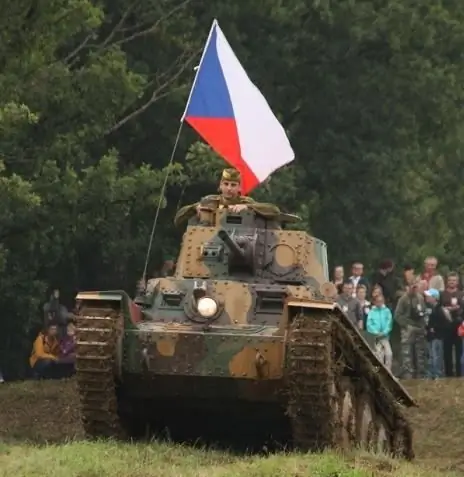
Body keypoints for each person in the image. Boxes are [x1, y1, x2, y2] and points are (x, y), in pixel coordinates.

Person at [174, 168, 282, 227]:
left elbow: (274, 211)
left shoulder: (246, 202)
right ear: (220, 185)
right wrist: (195, 207)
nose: (229, 188)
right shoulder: (210, 201)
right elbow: (178, 219)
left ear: (239, 188)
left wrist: (248, 207)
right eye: (226, 184)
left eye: (233, 185)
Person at [366, 293, 393, 370]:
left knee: (389, 354)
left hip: (385, 337)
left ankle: (388, 371)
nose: (379, 303)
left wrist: (384, 332)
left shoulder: (387, 311)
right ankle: (380, 372)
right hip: (376, 338)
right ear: (374, 302)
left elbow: (389, 323)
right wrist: (376, 332)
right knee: (378, 355)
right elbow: (369, 324)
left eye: (381, 301)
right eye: (378, 301)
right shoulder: (371, 312)